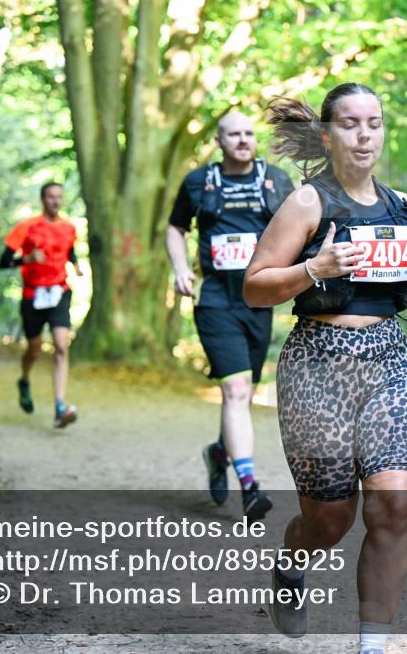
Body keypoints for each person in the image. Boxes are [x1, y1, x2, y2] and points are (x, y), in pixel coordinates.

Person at [243, 83, 407, 653]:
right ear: (328, 134)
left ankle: (371, 648)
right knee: (330, 520)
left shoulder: (401, 206)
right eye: (350, 124)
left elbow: (394, 287)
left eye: (374, 123)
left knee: (391, 507)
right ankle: (294, 560)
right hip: (318, 367)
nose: (364, 135)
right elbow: (256, 287)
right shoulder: (308, 203)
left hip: (389, 362)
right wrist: (315, 267)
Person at [165, 111, 295, 521]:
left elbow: (298, 230)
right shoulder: (198, 182)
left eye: (249, 133)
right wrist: (180, 267)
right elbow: (175, 227)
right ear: (219, 141)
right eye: (233, 134)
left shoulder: (276, 181)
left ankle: (219, 452)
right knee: (236, 392)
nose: (243, 139)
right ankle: (251, 487)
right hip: (215, 299)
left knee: (245, 393)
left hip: (258, 301)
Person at [0, 182, 83, 429]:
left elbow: (69, 251)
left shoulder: (69, 227)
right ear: (42, 199)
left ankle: (60, 406)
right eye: (50, 197)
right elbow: (4, 262)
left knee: (60, 347)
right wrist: (26, 258)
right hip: (33, 295)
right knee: (34, 350)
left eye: (59, 197)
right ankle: (24, 380)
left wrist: (76, 265)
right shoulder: (27, 227)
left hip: (59, 292)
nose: (55, 201)